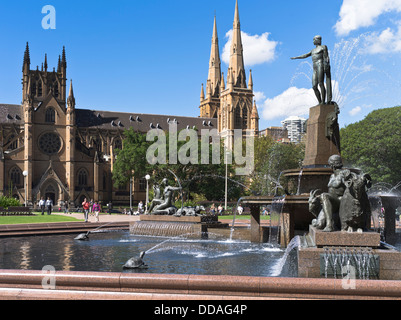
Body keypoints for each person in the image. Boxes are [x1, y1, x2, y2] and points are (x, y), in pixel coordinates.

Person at [291, 35, 332, 104]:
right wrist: (296, 57)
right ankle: (319, 102)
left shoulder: (323, 47)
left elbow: (326, 57)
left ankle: (323, 102)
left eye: (314, 40)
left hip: (320, 65)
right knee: (314, 86)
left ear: (318, 40)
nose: (313, 41)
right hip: (315, 67)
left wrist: (326, 65)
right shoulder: (313, 50)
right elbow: (305, 55)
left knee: (320, 83)